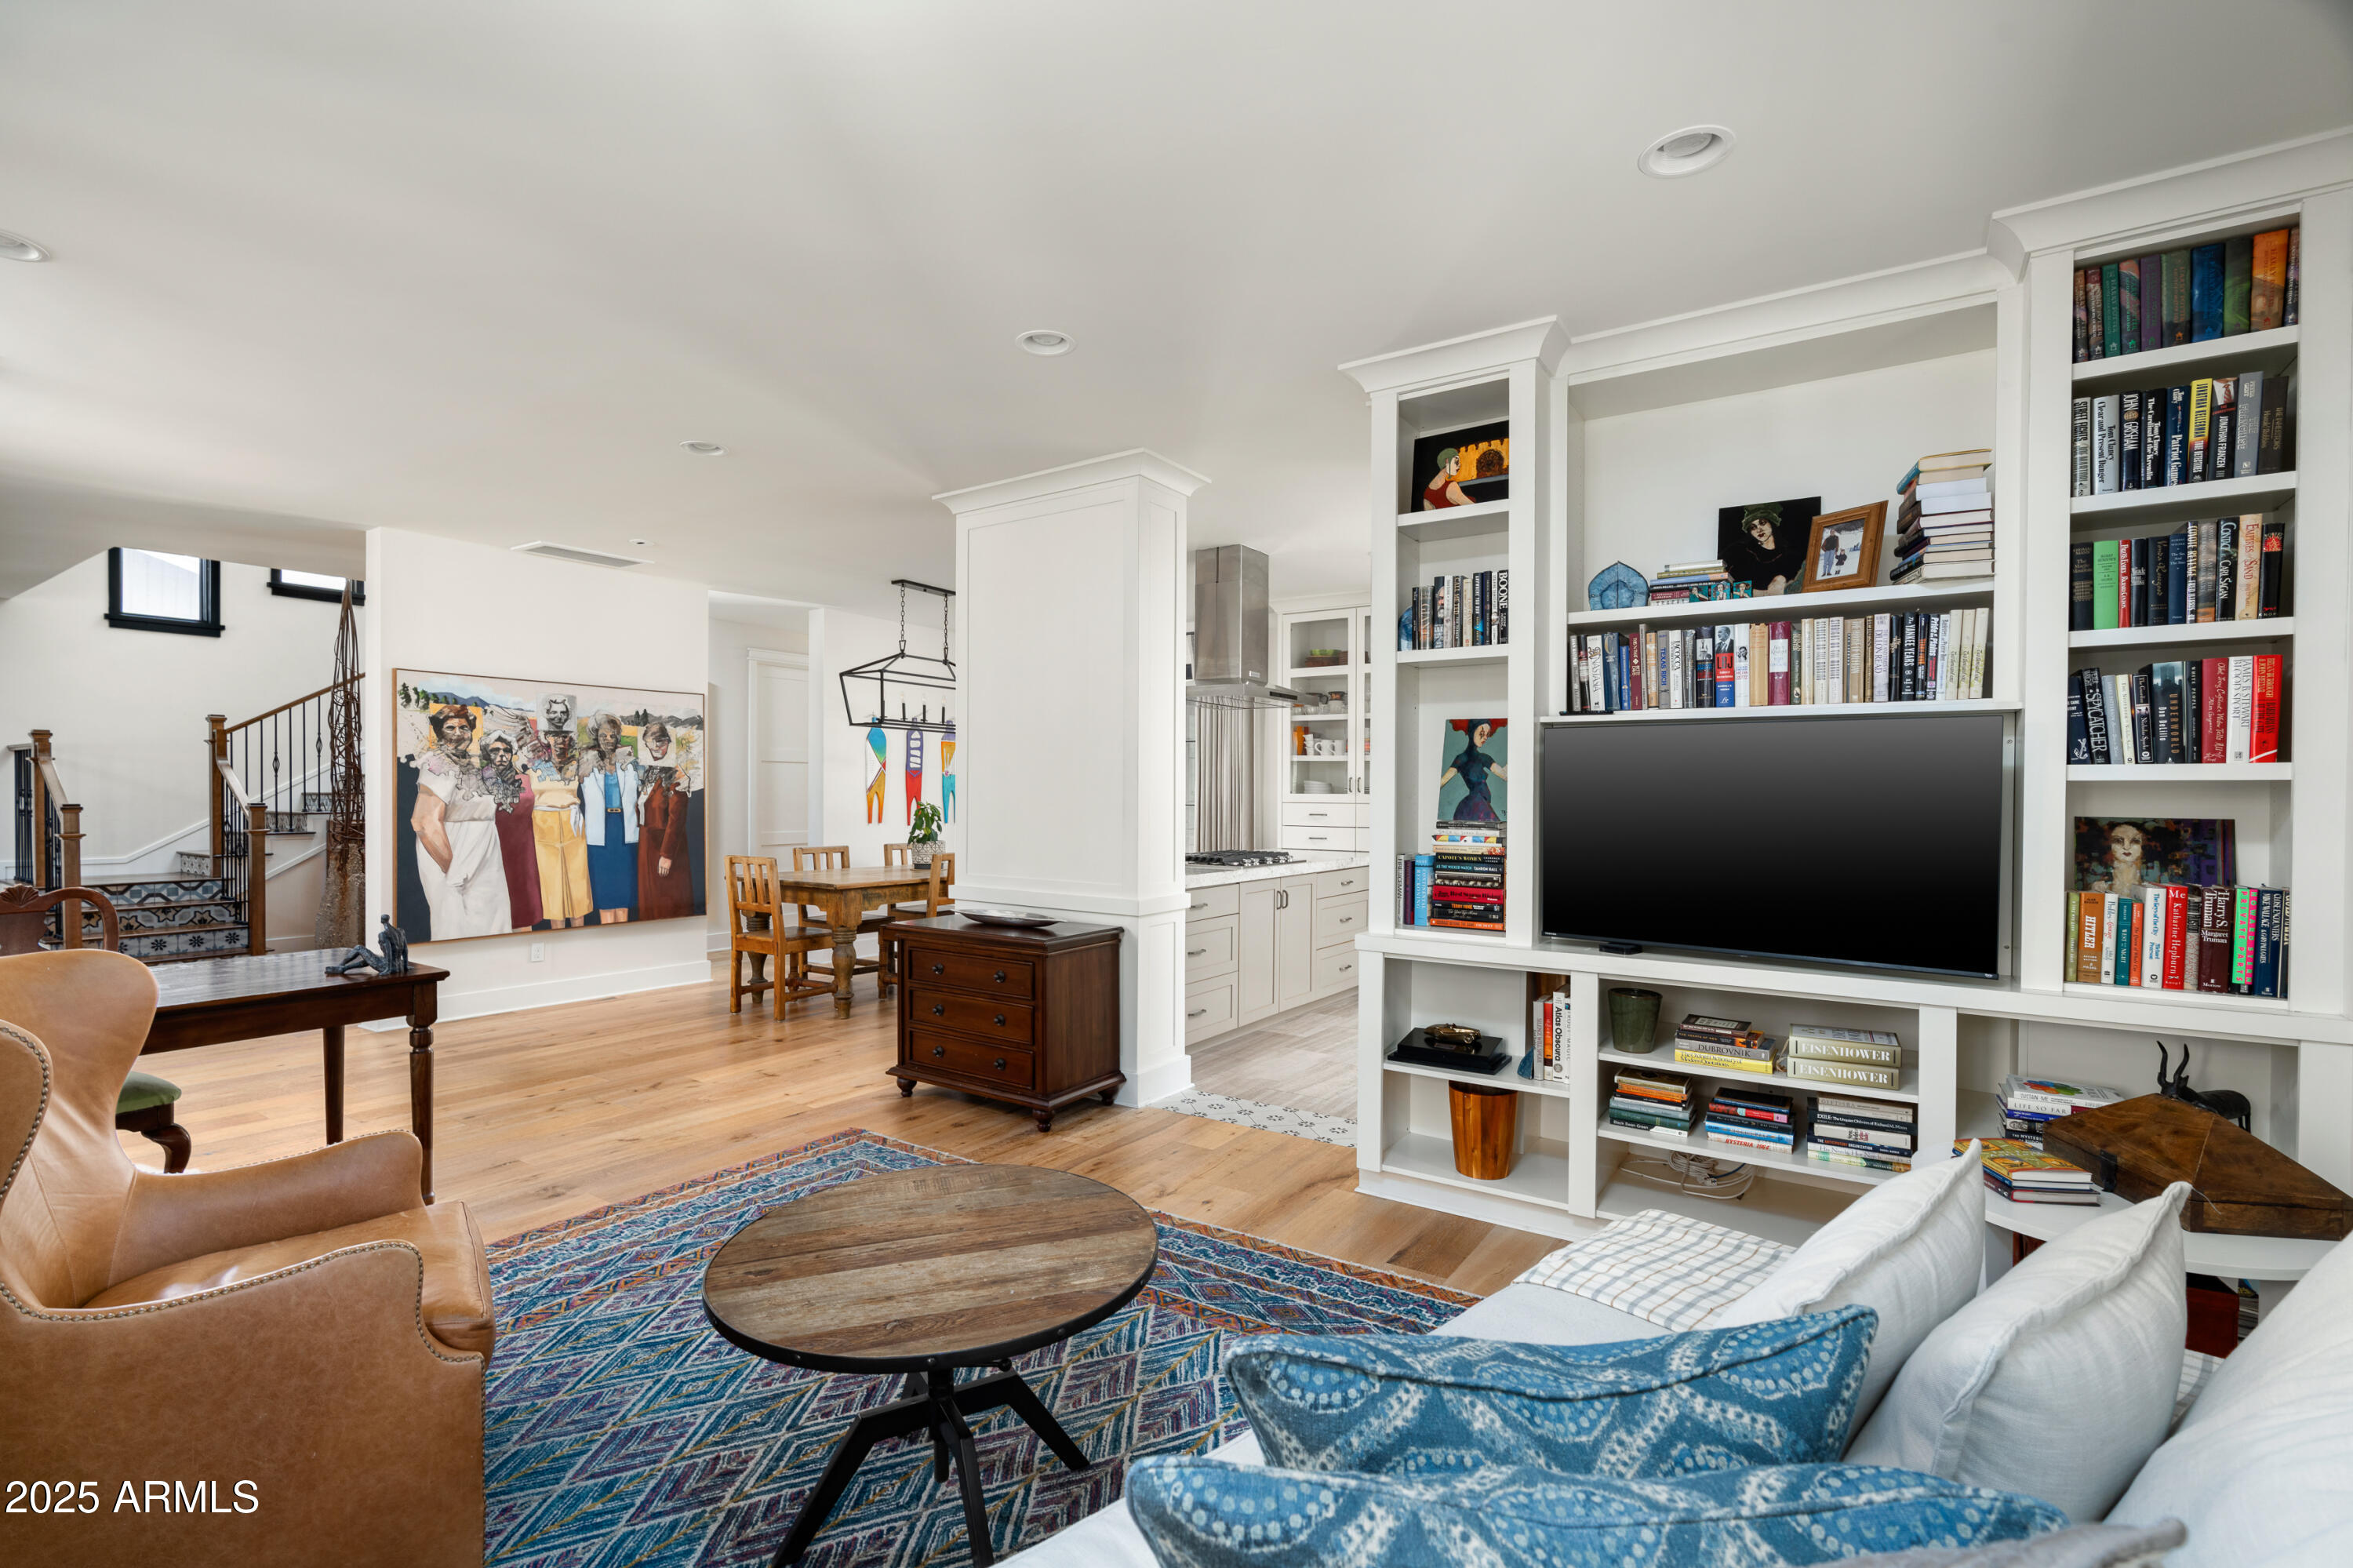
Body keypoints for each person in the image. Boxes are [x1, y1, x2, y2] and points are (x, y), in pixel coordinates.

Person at [409, 704, 512, 938]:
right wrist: (453, 869)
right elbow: (424, 822)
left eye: (464, 727)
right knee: (455, 928)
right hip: (455, 852)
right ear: (438, 731)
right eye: (450, 727)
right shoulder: (436, 765)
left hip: (486, 855)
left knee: (494, 926)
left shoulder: (477, 765)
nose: (458, 733)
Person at [529, 723, 593, 928]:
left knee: (577, 882)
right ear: (547, 738)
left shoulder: (578, 764)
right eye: (554, 736)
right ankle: (557, 935)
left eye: (564, 736)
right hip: (543, 824)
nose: (559, 741)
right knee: (552, 883)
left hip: (572, 821)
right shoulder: (532, 765)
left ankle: (579, 936)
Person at [580, 711, 640, 922]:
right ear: (596, 737)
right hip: (600, 832)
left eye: (612, 735)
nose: (608, 740)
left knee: (624, 891)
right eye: (603, 735)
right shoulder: (586, 765)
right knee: (604, 892)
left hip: (623, 830)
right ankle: (607, 935)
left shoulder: (629, 766)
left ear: (618, 738)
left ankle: (623, 935)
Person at [480, 730, 543, 931]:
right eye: (495, 750)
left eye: (506, 750)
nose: (502, 754)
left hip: (524, 851)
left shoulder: (526, 779)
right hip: (493, 849)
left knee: (523, 910)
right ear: (486, 753)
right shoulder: (480, 781)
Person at [635, 721, 693, 921]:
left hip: (665, 845)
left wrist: (667, 854)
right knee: (648, 899)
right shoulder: (650, 771)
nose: (657, 748)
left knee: (666, 901)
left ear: (668, 743)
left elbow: (677, 820)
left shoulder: (678, 775)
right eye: (652, 743)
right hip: (647, 843)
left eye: (661, 743)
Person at [1437, 720, 1505, 823]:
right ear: (1472, 732)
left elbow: (1505, 776)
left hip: (1479, 806)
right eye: (1482, 734)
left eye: (1487, 735)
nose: (1485, 738)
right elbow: (1441, 782)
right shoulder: (1462, 759)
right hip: (1474, 805)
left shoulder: (1484, 758)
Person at [1421, 447, 1471, 511]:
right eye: (1456, 462)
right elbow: (1474, 508)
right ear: (1447, 461)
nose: (1459, 465)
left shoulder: (1427, 494)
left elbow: (1429, 518)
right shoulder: (1451, 486)